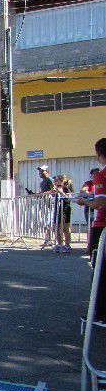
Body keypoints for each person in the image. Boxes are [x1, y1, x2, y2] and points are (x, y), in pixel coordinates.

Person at [77, 138, 106, 325]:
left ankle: (101, 314)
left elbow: (101, 203)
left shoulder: (101, 175)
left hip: (102, 227)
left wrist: (84, 202)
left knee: (100, 272)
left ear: (98, 154)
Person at [52, 174, 73, 253]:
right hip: (57, 210)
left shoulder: (66, 188)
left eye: (57, 180)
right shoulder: (56, 189)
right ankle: (59, 244)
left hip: (65, 210)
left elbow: (69, 199)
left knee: (65, 228)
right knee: (55, 228)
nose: (55, 181)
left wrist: (61, 192)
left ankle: (67, 245)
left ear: (62, 181)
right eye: (55, 180)